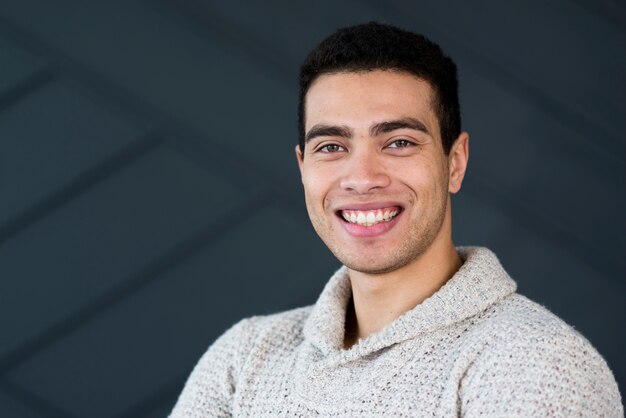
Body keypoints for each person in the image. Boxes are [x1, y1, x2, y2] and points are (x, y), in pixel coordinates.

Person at [170, 22, 622, 417]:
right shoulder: (245, 356)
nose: (362, 178)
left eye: (399, 142)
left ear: (455, 162)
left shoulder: (536, 364)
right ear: (303, 167)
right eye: (331, 147)